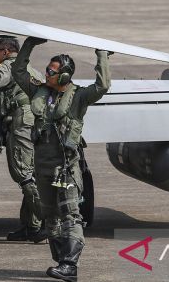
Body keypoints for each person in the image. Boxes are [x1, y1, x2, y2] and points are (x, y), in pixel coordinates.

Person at [12, 37, 111, 282]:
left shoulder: (79, 97)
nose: (47, 74)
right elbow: (18, 71)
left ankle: (70, 265)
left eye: (52, 72)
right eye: (47, 69)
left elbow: (102, 86)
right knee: (50, 216)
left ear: (65, 76)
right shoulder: (38, 91)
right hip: (42, 166)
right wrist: (29, 45)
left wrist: (102, 56)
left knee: (70, 215)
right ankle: (61, 261)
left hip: (64, 168)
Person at [0, 37, 46, 243]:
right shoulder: (32, 70)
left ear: (6, 51)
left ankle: (50, 222)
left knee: (23, 173)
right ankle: (32, 226)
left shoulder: (8, 66)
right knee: (31, 173)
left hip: (20, 122)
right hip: (34, 122)